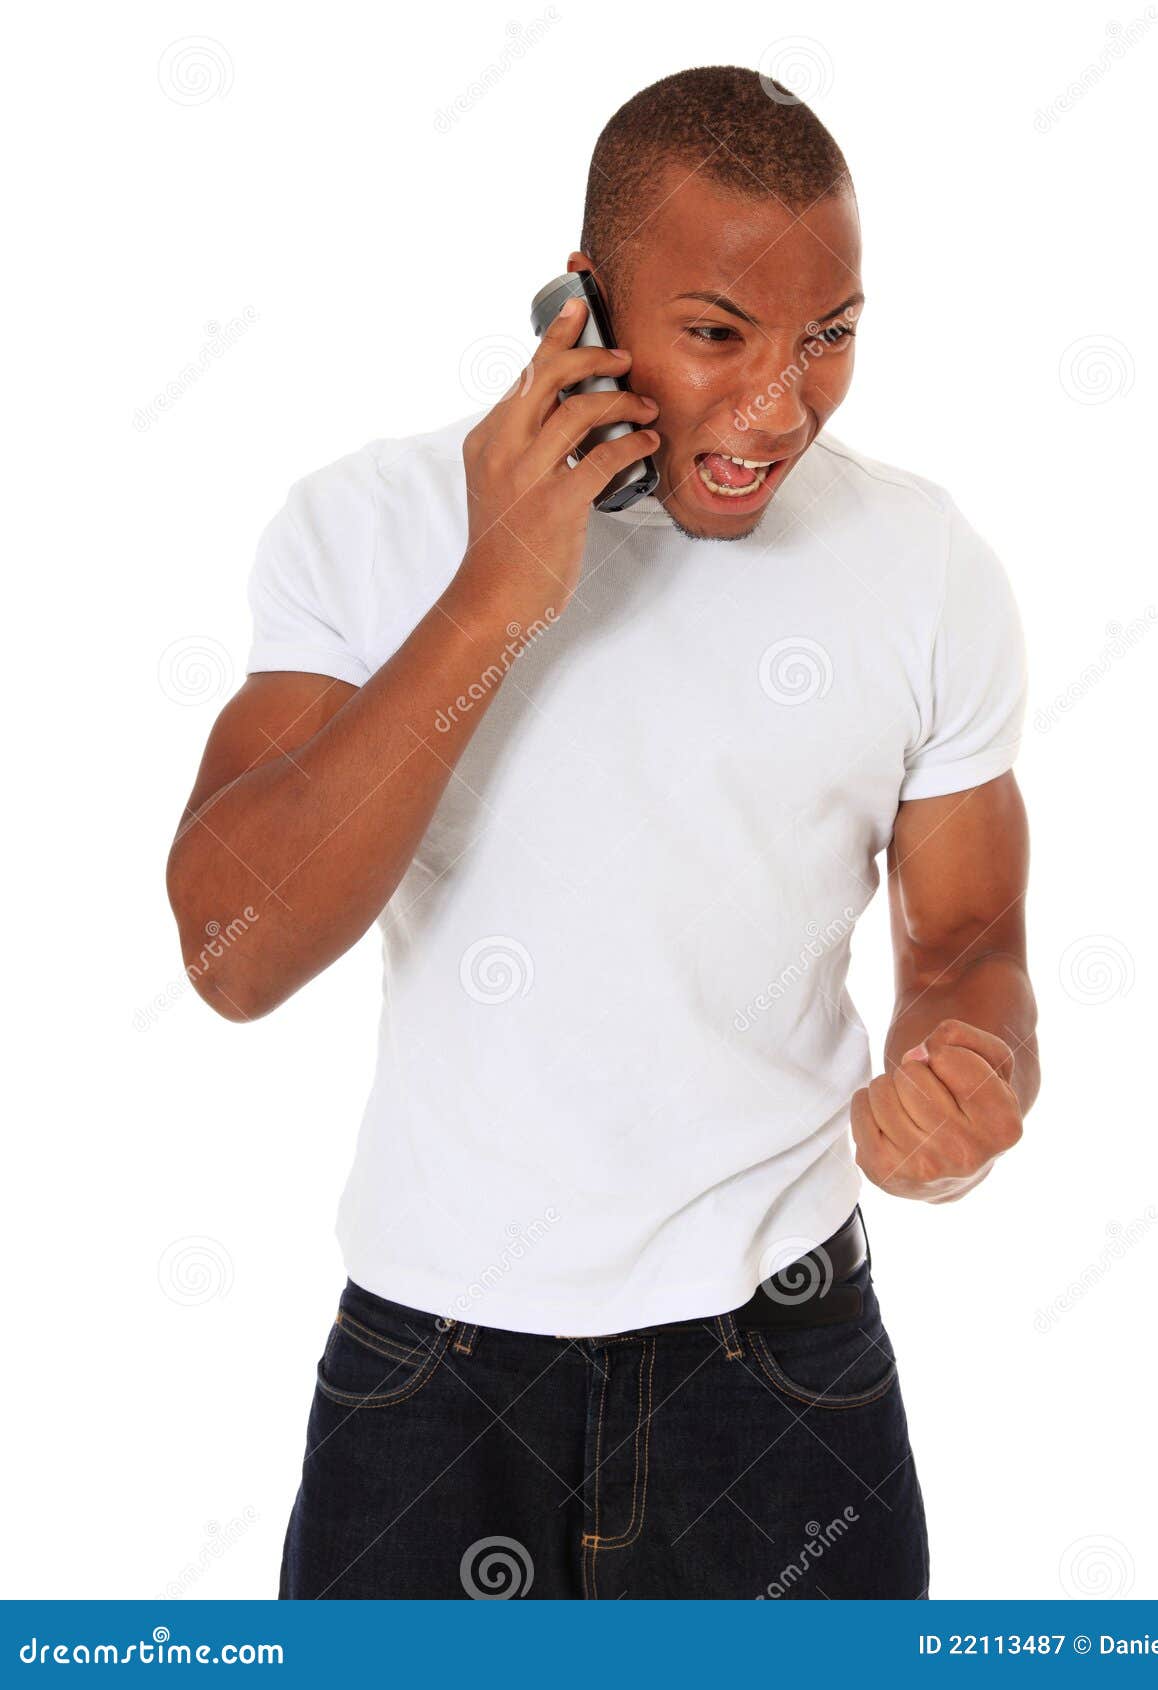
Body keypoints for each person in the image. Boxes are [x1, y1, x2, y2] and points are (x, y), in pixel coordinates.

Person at [166, 64, 1040, 1600]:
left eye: (827, 336)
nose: (777, 406)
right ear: (582, 304)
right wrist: (495, 592)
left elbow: (967, 938)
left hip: (781, 1367)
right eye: (716, 332)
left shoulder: (921, 563)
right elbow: (233, 954)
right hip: (430, 1370)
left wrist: (967, 1076)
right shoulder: (368, 527)